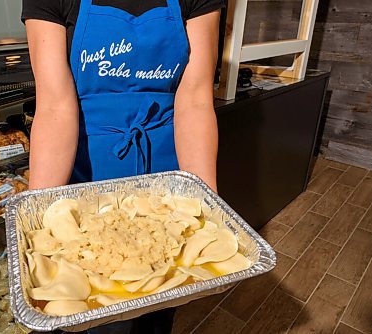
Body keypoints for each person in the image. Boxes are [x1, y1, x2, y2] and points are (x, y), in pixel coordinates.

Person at [22, 0, 223, 332]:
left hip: (167, 183)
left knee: (159, 308)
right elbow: (55, 106)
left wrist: (207, 210)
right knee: (96, 314)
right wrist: (38, 229)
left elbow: (196, 99)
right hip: (87, 182)